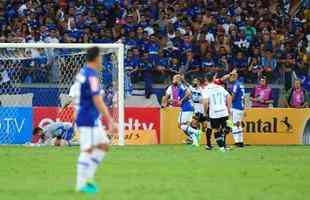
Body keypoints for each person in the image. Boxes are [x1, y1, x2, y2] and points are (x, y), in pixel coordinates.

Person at [74, 47, 118, 193]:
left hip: (89, 115)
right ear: (96, 58)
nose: (102, 60)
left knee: (104, 144)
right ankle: (81, 185)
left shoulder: (83, 72)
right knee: (87, 149)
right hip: (88, 117)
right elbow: (97, 99)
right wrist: (110, 120)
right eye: (101, 57)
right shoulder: (92, 76)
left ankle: (89, 179)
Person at [202, 72, 232, 152]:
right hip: (224, 111)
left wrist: (205, 112)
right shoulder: (220, 87)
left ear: (206, 80)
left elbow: (205, 102)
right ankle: (222, 145)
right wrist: (229, 109)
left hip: (214, 113)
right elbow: (229, 96)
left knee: (216, 130)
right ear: (213, 78)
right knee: (226, 127)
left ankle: (222, 148)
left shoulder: (206, 89)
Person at [229, 70, 245, 147]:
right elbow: (243, 97)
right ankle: (241, 142)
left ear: (235, 77)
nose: (230, 78)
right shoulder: (241, 85)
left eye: (231, 76)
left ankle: (237, 142)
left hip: (236, 107)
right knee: (239, 125)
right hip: (241, 107)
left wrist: (229, 104)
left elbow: (233, 96)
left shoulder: (235, 85)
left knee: (235, 125)